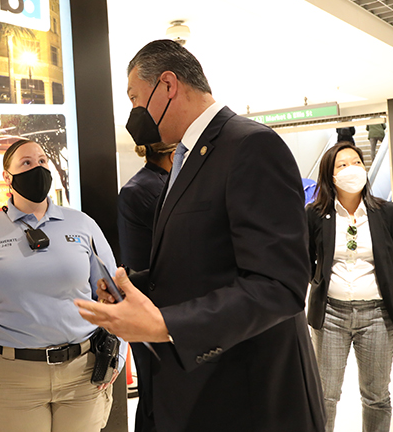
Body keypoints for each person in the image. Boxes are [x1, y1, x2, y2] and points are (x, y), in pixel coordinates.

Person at [75, 39, 325, 431]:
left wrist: (166, 324)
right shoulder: (189, 158)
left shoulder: (249, 145)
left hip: (249, 398)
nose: (134, 113)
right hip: (202, 391)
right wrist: (134, 289)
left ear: (168, 85)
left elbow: (280, 284)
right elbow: (203, 261)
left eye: (136, 98)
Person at [0, 139, 126, 432]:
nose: (37, 168)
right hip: (11, 377)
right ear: (7, 178)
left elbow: (115, 294)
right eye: (26, 163)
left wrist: (119, 353)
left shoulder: (82, 225)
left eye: (42, 161)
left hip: (83, 372)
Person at [306, 142, 393, 432]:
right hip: (331, 316)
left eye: (357, 163)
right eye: (343, 165)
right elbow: (306, 257)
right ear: (330, 175)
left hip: (378, 316)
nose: (352, 169)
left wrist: (383, 287)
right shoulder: (315, 214)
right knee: (325, 396)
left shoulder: (388, 212)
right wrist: (321, 282)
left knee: (376, 398)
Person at [116, 141, 174, 432]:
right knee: (158, 399)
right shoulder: (150, 190)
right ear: (175, 154)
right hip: (156, 310)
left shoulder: (148, 185)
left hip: (155, 309)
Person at [117, 142, 176, 273]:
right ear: (174, 157)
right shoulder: (161, 191)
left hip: (138, 277)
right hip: (156, 282)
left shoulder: (138, 184)